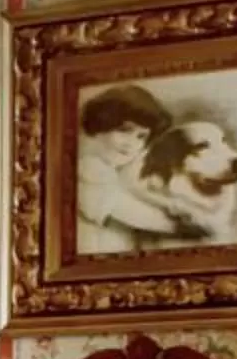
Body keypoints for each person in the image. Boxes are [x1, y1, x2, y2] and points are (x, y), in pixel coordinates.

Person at [76, 84, 188, 251]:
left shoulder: (114, 172)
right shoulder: (90, 169)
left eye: (141, 137)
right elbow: (132, 213)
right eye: (124, 130)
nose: (131, 144)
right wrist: (182, 226)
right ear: (99, 127)